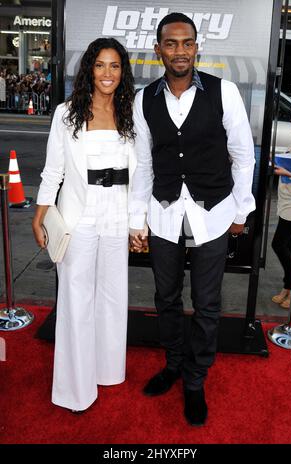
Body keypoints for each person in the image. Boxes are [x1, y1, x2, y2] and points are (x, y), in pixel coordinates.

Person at [129, 12, 256, 426]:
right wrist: (138, 218)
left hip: (214, 211)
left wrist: (241, 210)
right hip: (163, 212)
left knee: (207, 302)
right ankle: (173, 363)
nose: (179, 51)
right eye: (171, 43)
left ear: (196, 47)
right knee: (165, 297)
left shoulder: (225, 92)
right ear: (158, 50)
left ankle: (196, 380)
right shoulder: (143, 98)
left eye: (186, 43)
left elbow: (242, 154)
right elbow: (143, 163)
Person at [32, 38, 136, 413]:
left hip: (116, 214)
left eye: (115, 66)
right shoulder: (66, 113)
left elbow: (142, 173)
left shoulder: (130, 113)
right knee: (76, 300)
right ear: (89, 69)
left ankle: (106, 371)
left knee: (112, 297)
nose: (107, 74)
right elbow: (54, 169)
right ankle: (75, 389)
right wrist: (40, 212)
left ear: (123, 72)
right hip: (80, 213)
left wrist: (137, 222)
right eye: (100, 65)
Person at [271, 105, 291, 309]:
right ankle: (288, 289)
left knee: (279, 244)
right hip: (286, 200)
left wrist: (287, 173)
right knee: (286, 245)